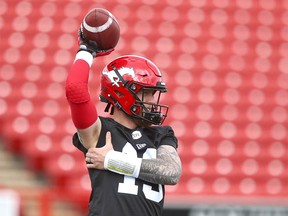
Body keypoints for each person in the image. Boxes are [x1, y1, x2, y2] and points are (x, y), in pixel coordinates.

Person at [65, 27, 182, 216]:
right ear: (121, 93)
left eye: (153, 94)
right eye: (146, 94)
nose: (152, 102)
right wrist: (86, 52)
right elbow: (75, 91)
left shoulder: (161, 134)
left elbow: (171, 172)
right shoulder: (100, 132)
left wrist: (112, 160)